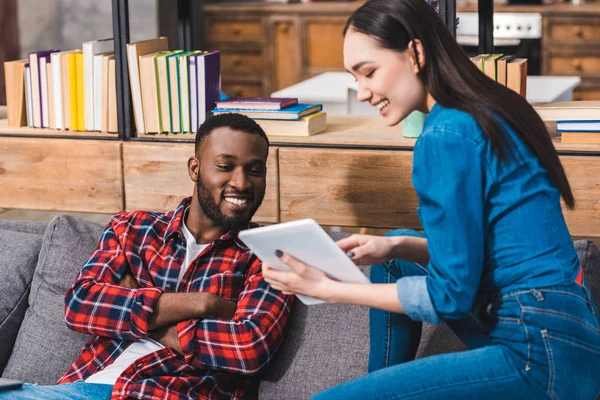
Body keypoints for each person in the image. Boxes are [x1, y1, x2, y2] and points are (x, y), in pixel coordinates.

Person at [262, 0, 600, 398]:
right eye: (355, 78)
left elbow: (450, 297)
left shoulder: (444, 136)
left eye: (369, 72)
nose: (364, 92)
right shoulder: (489, 108)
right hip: (569, 333)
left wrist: (325, 287)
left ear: (416, 52)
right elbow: (490, 250)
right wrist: (394, 246)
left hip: (537, 351)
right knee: (395, 259)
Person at [2, 113, 292, 400]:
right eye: (225, 166)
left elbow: (248, 349)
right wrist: (204, 304)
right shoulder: (132, 229)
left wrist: (137, 309)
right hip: (79, 389)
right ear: (195, 168)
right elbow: (80, 305)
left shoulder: (268, 255)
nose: (241, 183)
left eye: (255, 170)